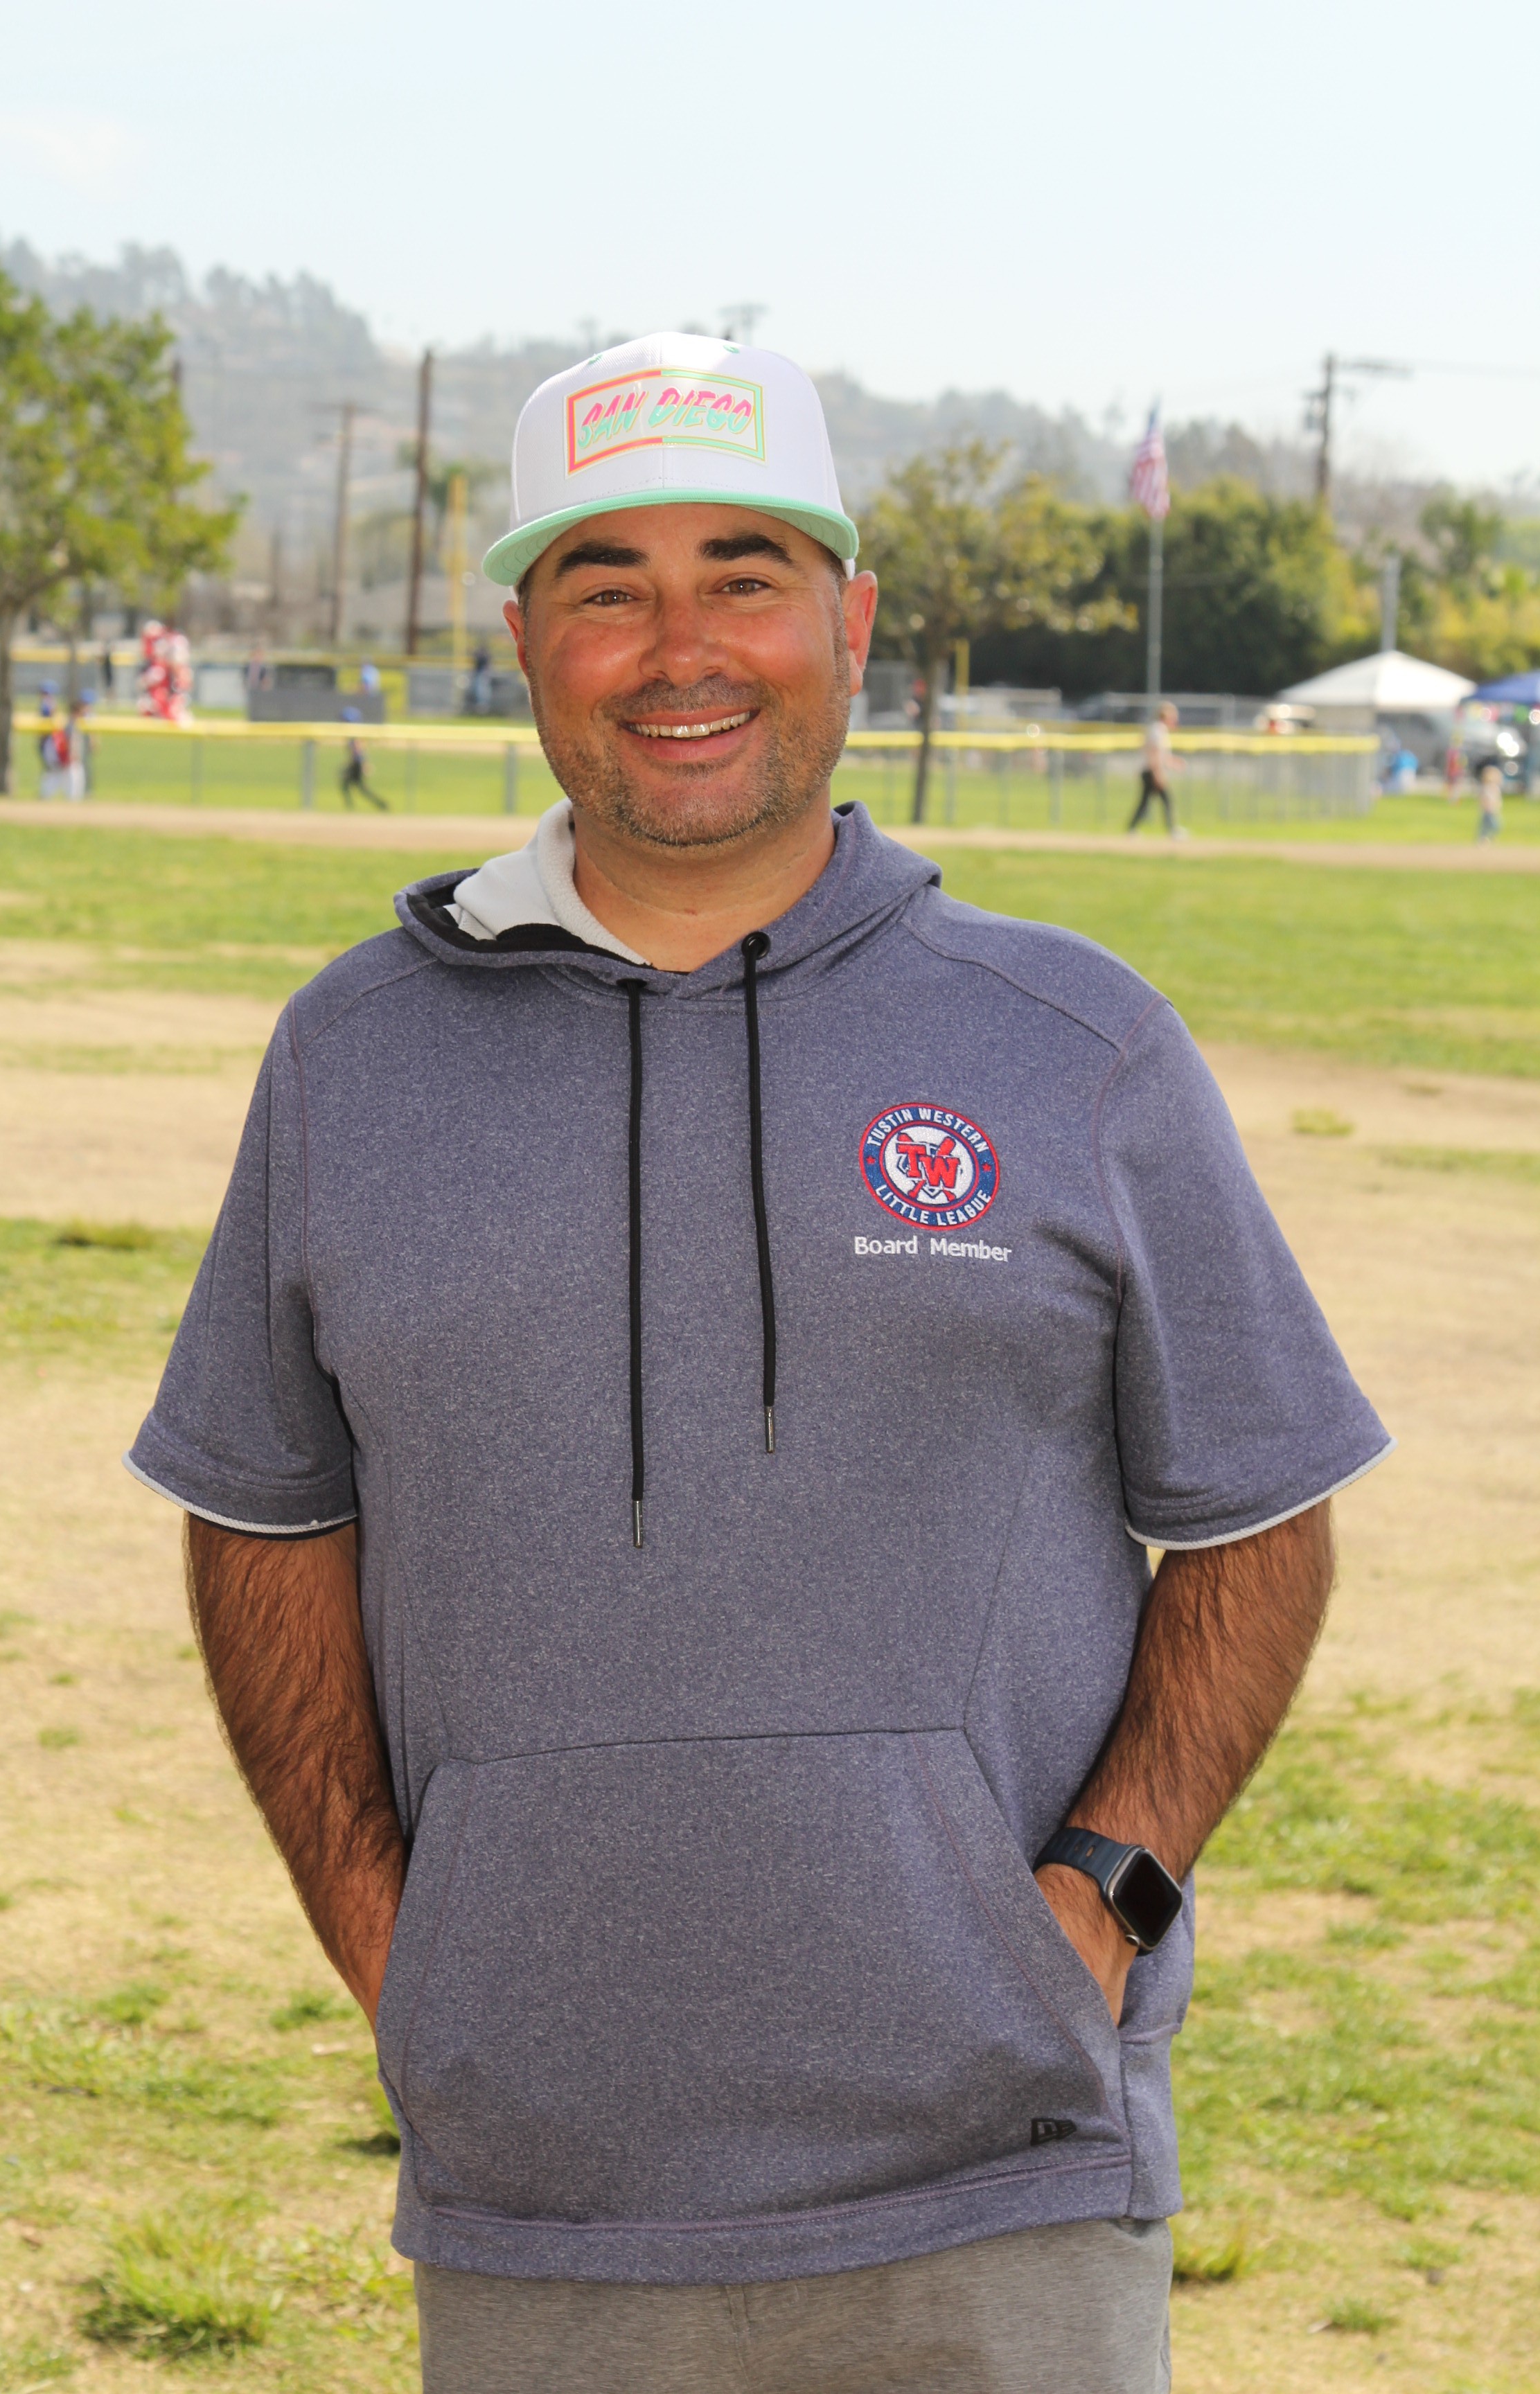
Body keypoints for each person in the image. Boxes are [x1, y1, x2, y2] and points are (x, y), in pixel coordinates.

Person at [125, 332, 1392, 2394]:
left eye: (745, 572)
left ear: (852, 623)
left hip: (998, 2186)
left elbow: (1260, 1512)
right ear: (523, 642)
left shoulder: (1073, 1043)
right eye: (607, 583)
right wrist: (390, 1940)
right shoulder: (352, 1056)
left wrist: (1103, 1896)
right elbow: (265, 1513)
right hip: (543, 2190)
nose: (681, 646)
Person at [1127, 702, 1183, 836]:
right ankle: (1173, 830)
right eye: (1173, 716)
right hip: (1152, 771)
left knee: (1145, 802)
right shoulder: (1158, 730)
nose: (1175, 719)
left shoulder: (1158, 729)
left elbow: (1161, 755)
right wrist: (1158, 773)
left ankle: (1132, 829)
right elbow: (1154, 754)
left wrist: (1173, 762)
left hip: (1151, 770)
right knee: (1166, 800)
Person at [338, 709, 389, 810]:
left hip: (357, 764)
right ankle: (381, 804)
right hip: (356, 763)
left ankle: (381, 804)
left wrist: (364, 764)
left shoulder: (354, 734)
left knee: (353, 786)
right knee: (352, 786)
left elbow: (358, 750)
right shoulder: (353, 733)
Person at [1476, 759, 1503, 842]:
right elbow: (1484, 799)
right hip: (1488, 811)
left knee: (1495, 825)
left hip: (1494, 811)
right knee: (1488, 826)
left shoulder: (1496, 789)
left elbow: (1497, 800)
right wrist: (1486, 806)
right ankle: (1483, 839)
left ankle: (1488, 837)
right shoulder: (1487, 788)